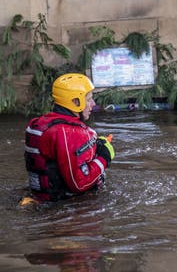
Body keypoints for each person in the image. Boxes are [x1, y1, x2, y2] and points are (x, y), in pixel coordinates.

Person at [24, 73, 115, 202]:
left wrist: (94, 146)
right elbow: (79, 183)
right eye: (88, 99)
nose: (93, 104)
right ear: (75, 102)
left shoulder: (41, 123)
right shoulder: (68, 133)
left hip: (44, 198)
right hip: (67, 207)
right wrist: (104, 157)